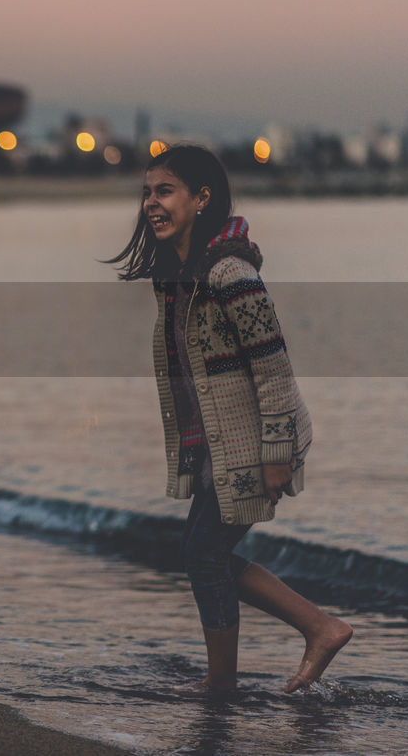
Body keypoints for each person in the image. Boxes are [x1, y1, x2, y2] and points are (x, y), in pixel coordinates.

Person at [107, 144, 352, 693]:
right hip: (222, 443)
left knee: (204, 553)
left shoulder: (231, 272)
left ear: (202, 199)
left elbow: (275, 371)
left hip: (257, 442)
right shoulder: (180, 277)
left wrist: (275, 455)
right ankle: (312, 630)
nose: (151, 203)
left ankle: (294, 642)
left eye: (164, 191)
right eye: (146, 192)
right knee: (203, 553)